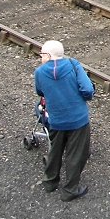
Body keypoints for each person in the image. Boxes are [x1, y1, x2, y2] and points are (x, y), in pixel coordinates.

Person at [35, 40, 94, 201]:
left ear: (47, 55)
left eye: (41, 54)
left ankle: (50, 182)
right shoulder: (73, 65)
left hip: (56, 119)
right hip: (78, 119)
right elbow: (88, 90)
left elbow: (39, 91)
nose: (40, 57)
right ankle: (70, 190)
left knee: (55, 150)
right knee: (76, 154)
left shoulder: (39, 72)